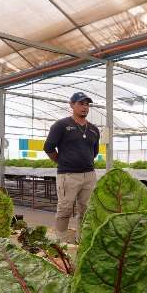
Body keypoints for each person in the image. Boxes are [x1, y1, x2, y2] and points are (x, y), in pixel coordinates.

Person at [44, 91, 101, 242]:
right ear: (72, 105)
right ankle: (60, 240)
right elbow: (48, 147)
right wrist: (61, 161)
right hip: (68, 175)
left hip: (89, 176)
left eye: (87, 104)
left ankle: (82, 239)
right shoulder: (61, 125)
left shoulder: (94, 129)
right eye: (81, 103)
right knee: (65, 209)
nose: (85, 107)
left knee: (87, 210)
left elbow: (94, 152)